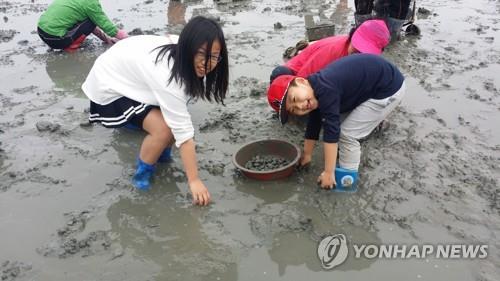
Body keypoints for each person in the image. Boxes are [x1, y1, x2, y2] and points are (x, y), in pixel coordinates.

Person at [82, 16, 229, 206]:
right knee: (165, 129)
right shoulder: (168, 78)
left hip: (130, 71)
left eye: (214, 56)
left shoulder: (180, 47)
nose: (206, 63)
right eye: (201, 54)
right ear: (187, 48)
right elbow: (184, 136)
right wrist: (194, 180)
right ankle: (142, 175)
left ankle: (162, 155)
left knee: (172, 122)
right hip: (109, 84)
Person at [266, 54, 405, 191]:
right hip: (372, 84)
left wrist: (328, 172)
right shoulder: (314, 90)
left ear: (302, 81)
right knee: (335, 121)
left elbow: (331, 133)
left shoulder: (326, 88)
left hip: (388, 89)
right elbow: (313, 125)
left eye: (295, 99)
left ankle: (347, 179)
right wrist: (307, 154)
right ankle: (371, 125)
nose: (300, 106)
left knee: (346, 134)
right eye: (294, 109)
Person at [270, 19, 390, 82]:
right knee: (280, 74)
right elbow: (304, 78)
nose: (358, 53)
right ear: (353, 35)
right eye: (357, 47)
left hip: (329, 79)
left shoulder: (371, 63)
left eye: (363, 52)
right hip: (300, 73)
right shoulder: (332, 52)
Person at [37, 0, 128, 52]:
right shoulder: (90, 3)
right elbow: (109, 28)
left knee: (88, 20)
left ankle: (67, 42)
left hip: (42, 32)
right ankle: (70, 49)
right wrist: (129, 39)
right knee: (91, 21)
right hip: (56, 39)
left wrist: (107, 40)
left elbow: (87, 24)